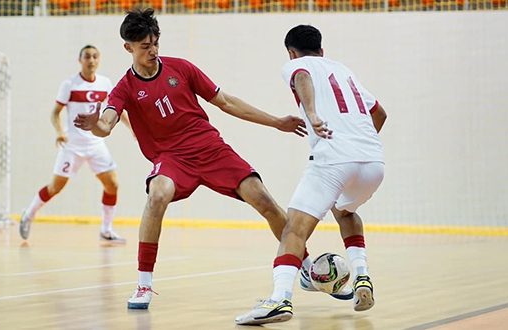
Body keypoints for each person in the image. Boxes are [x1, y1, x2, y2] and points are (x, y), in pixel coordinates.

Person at [74, 8, 323, 310]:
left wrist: (275, 122)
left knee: (265, 201)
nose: (152, 51)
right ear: (128, 47)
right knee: (157, 196)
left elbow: (227, 102)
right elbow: (106, 124)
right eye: (145, 46)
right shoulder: (124, 88)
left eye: (155, 43)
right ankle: (143, 284)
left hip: (210, 148)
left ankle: (307, 268)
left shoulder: (181, 68)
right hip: (171, 157)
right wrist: (95, 125)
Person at [235, 25, 388, 325]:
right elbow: (379, 113)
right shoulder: (343, 70)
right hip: (373, 163)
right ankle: (362, 277)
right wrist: (358, 146)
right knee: (345, 212)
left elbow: (302, 77)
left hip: (333, 157)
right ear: (322, 49)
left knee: (294, 229)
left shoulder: (296, 65)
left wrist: (313, 113)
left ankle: (280, 299)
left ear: (291, 53)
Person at [19, 45, 126, 244]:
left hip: (96, 144)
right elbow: (55, 112)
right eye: (87, 57)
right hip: (73, 146)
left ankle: (106, 229)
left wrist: (133, 129)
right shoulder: (70, 84)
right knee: (55, 187)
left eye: (95, 56)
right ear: (80, 60)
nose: (91, 60)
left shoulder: (105, 83)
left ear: (99, 60)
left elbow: (117, 109)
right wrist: (60, 132)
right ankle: (29, 214)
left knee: (112, 185)